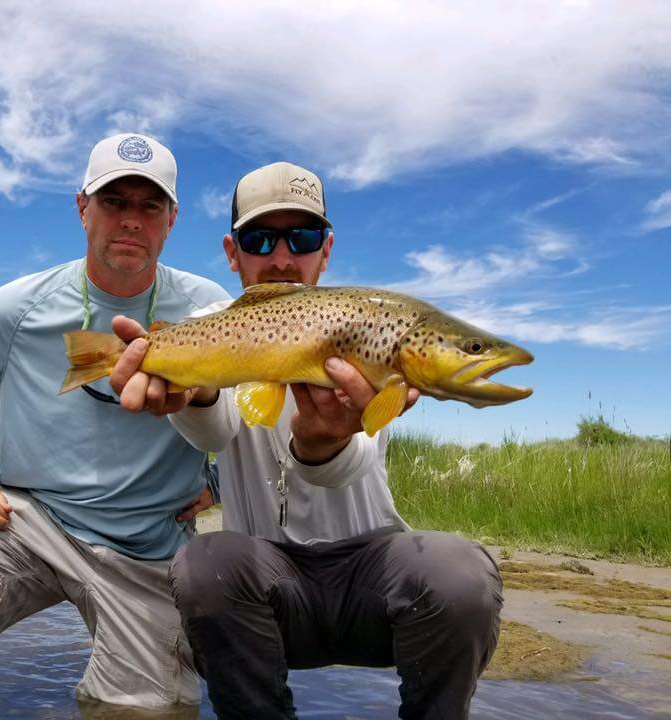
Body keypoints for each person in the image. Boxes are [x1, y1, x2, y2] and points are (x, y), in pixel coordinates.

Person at [109, 161, 504, 719]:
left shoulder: (366, 324)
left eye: (303, 236)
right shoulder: (210, 327)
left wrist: (323, 444)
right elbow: (216, 425)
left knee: (460, 576)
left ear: (327, 249)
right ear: (231, 251)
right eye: (259, 237)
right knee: (204, 564)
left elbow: (359, 458)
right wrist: (191, 393)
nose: (281, 256)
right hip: (262, 589)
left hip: (374, 583)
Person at [0, 132, 230, 719]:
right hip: (28, 521)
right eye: (114, 202)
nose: (131, 221)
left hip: (151, 544)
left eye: (149, 206)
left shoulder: (209, 309)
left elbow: (249, 425)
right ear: (82, 208)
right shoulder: (14, 310)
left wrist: (219, 487)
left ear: (172, 218)